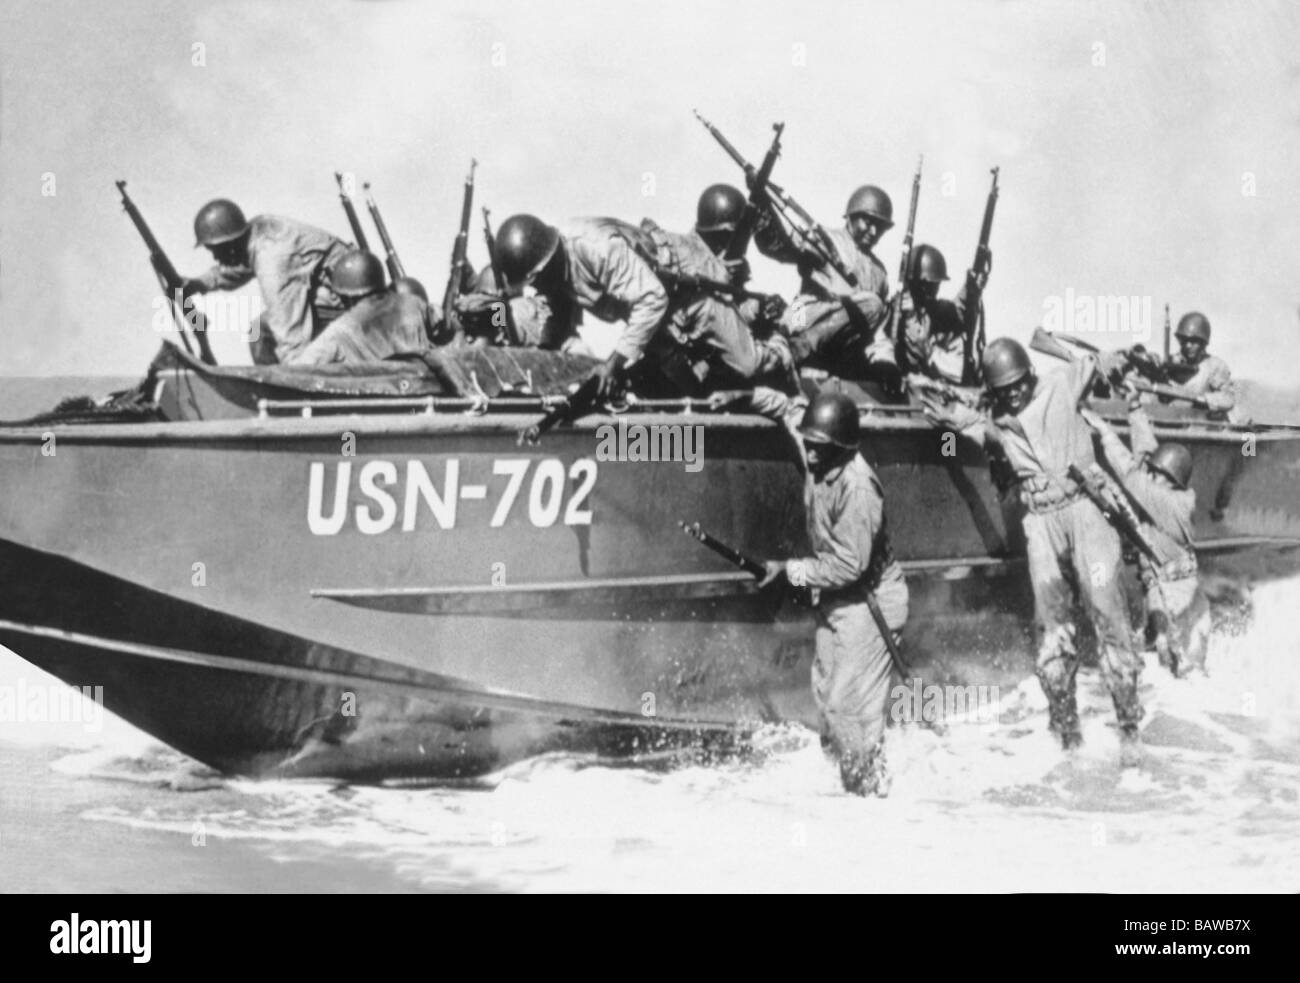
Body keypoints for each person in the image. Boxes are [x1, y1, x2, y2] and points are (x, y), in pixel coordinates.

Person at [923, 338, 1145, 765]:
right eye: (1002, 390)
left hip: (1086, 513)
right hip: (1041, 522)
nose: (1012, 394)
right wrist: (936, 402)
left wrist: (1128, 355)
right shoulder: (994, 418)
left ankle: (1130, 728)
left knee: (1108, 612)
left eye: (1017, 385)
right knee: (1051, 626)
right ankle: (1067, 733)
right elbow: (954, 415)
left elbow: (1102, 363)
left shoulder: (1062, 382)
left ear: (1029, 375)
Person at [730, 389, 907, 796]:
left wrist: (790, 572)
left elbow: (849, 565)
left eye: (818, 449)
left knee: (850, 708)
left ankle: (871, 801)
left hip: (870, 600)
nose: (808, 456)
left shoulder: (858, 487)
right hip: (838, 599)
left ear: (841, 448)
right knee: (829, 703)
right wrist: (743, 394)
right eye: (808, 445)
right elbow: (788, 409)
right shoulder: (816, 445)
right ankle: (851, 794)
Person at [1080, 394, 1210, 676]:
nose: (1149, 475)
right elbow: (1146, 455)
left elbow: (1131, 473)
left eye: (1156, 473)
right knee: (1164, 663)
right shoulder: (1164, 494)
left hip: (1180, 598)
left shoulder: (1172, 504)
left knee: (1188, 673)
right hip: (1161, 591)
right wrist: (1136, 409)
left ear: (1169, 480)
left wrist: (1104, 430)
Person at [185, 199, 351, 364]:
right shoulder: (257, 235)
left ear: (232, 243)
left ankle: (280, 388)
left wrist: (297, 372)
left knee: (264, 333)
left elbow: (289, 331)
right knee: (258, 330)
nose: (215, 257)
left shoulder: (272, 260)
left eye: (217, 250)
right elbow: (239, 266)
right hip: (332, 293)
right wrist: (200, 283)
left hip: (348, 303)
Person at [754, 184, 894, 377]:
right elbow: (781, 246)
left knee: (872, 306)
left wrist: (885, 361)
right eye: (868, 222)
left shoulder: (880, 273)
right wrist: (762, 209)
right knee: (871, 303)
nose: (873, 231)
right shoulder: (827, 240)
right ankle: (796, 349)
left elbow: (878, 328)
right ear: (852, 216)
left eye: (879, 226)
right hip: (801, 319)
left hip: (841, 347)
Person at [290, 250, 435, 366]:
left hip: (378, 398)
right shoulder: (414, 304)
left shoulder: (340, 330)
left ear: (348, 296)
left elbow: (298, 370)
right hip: (424, 394)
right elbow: (445, 326)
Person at [895, 243, 986, 385]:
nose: (935, 289)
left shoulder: (932, 309)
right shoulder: (899, 313)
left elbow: (956, 312)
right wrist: (910, 315)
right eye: (930, 284)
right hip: (910, 380)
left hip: (934, 378)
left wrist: (970, 288)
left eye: (936, 284)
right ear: (917, 283)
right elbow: (917, 349)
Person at [1162, 312, 1235, 412]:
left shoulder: (1214, 366)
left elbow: (1228, 398)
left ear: (1203, 343)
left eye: (1193, 341)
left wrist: (1203, 399)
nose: (1188, 345)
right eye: (1185, 340)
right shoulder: (1170, 362)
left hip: (1201, 421)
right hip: (1166, 417)